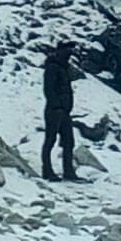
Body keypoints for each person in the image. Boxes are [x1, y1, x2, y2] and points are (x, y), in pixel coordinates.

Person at [40, 40, 80, 180]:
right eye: (67, 50)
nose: (70, 54)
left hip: (64, 111)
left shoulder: (63, 67)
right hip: (54, 110)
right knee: (50, 140)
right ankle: (47, 171)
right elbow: (49, 89)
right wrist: (57, 106)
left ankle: (68, 172)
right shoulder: (52, 67)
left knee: (69, 142)